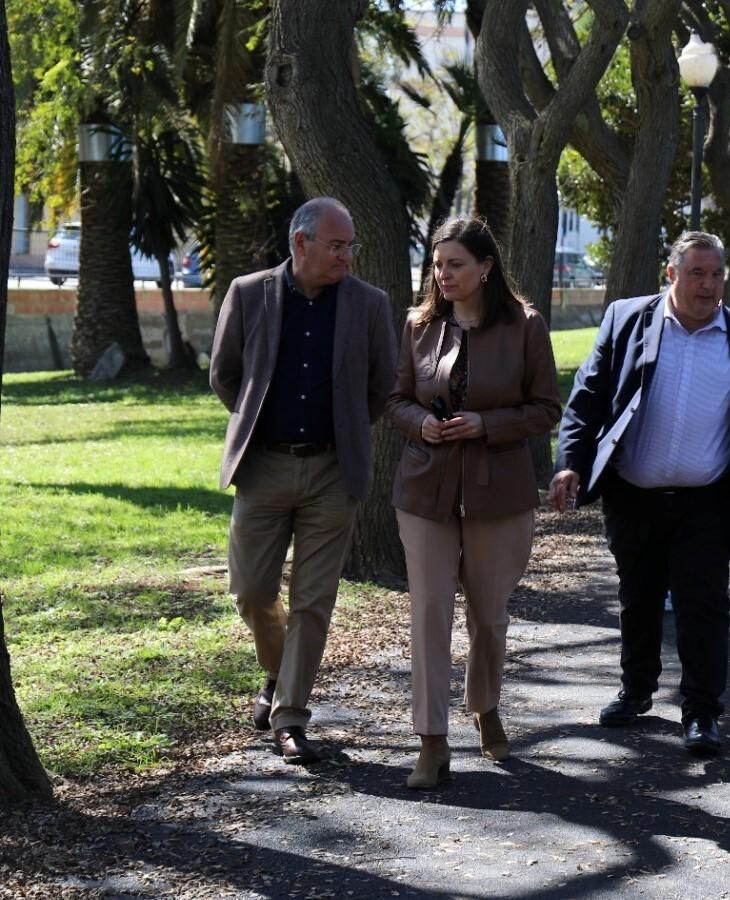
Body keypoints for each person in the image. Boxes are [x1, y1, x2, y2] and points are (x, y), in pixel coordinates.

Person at [549, 231, 730, 757]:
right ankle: (636, 691)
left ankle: (701, 711)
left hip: (708, 498)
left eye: (717, 273)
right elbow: (586, 399)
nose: (708, 284)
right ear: (671, 275)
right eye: (697, 273)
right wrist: (570, 464)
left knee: (704, 605)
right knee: (640, 598)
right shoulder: (628, 319)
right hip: (635, 494)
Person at [209, 197, 398, 763]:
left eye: (350, 246)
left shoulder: (369, 304)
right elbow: (225, 375)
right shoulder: (248, 293)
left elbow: (381, 385)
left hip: (332, 471)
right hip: (263, 465)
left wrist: (340, 429)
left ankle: (291, 715)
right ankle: (276, 671)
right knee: (251, 592)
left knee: (314, 601)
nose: (347, 256)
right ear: (301, 243)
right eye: (336, 245)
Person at [386, 217, 562, 789]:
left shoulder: (525, 325)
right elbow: (394, 400)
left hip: (498, 494)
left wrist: (487, 423)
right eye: (438, 265)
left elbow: (545, 409)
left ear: (485, 267)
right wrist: (421, 426)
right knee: (429, 612)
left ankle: (485, 706)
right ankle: (431, 742)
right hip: (424, 490)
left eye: (455, 264)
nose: (444, 275)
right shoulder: (418, 325)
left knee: (488, 615)